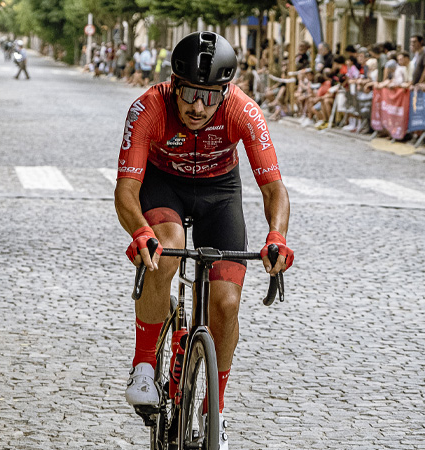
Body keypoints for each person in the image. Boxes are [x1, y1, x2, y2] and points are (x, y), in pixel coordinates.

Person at [115, 31, 293, 450]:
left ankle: (216, 411)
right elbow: (126, 190)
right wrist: (140, 232)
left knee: (226, 303)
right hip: (164, 185)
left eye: (210, 96)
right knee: (166, 246)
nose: (199, 107)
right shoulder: (148, 108)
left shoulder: (243, 111)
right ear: (175, 85)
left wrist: (276, 236)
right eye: (191, 94)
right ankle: (144, 365)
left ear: (224, 93)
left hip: (220, 193)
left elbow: (274, 189)